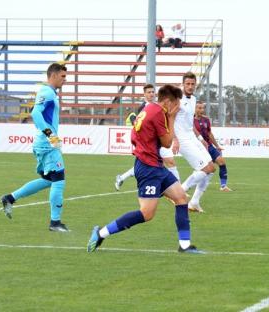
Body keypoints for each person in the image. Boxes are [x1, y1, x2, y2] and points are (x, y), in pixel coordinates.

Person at [87, 84, 203, 254]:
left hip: (154, 165)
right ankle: (101, 233)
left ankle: (184, 246)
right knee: (147, 213)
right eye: (177, 103)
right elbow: (167, 143)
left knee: (181, 198)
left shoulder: (150, 109)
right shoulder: (159, 114)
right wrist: (171, 118)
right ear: (169, 102)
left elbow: (135, 134)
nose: (178, 107)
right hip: (148, 168)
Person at [0, 63, 69, 232]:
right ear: (53, 75)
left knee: (48, 180)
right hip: (47, 143)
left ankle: (10, 198)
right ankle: (55, 222)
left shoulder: (50, 93)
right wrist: (50, 134)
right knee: (59, 180)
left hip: (45, 142)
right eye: (63, 76)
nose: (65, 80)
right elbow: (35, 113)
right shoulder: (46, 92)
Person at [115, 84, 180, 190]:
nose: (151, 94)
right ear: (144, 94)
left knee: (154, 164)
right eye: (149, 92)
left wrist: (174, 137)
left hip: (158, 140)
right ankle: (178, 188)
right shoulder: (144, 108)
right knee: (167, 162)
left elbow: (165, 125)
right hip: (150, 142)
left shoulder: (157, 107)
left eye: (152, 92)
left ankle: (122, 177)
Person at [173, 72, 215, 213]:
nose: (190, 86)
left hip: (191, 136)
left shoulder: (194, 99)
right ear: (183, 84)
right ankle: (180, 191)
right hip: (182, 140)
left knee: (211, 169)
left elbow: (190, 122)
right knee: (205, 169)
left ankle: (194, 202)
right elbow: (169, 120)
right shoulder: (177, 99)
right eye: (188, 84)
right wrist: (174, 139)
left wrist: (201, 139)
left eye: (192, 84)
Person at [194, 101, 232, 192]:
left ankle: (223, 186)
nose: (201, 110)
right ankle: (189, 186)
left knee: (221, 162)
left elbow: (209, 133)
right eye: (199, 108)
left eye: (203, 108)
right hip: (198, 148)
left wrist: (217, 146)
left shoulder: (206, 120)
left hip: (209, 146)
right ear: (194, 109)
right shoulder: (190, 121)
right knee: (204, 168)